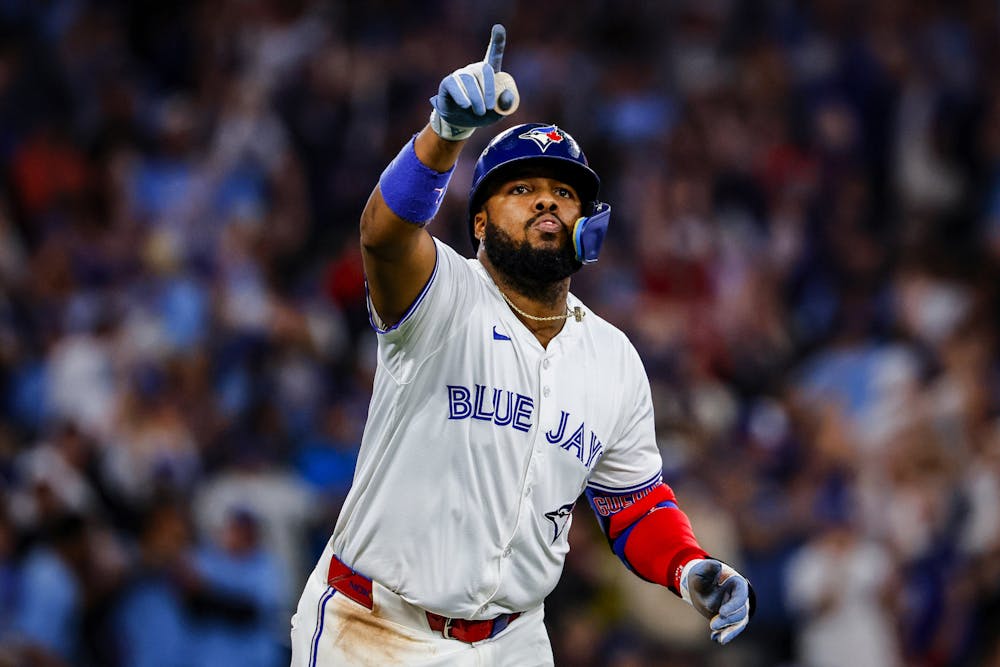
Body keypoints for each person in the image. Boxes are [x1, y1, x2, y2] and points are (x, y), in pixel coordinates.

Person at [290, 24, 754, 666]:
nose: (546, 202)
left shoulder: (613, 358)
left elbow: (634, 503)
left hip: (513, 641)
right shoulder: (441, 293)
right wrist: (443, 135)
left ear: (586, 223)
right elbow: (383, 236)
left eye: (564, 193)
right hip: (376, 630)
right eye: (520, 189)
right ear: (478, 221)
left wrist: (686, 566)